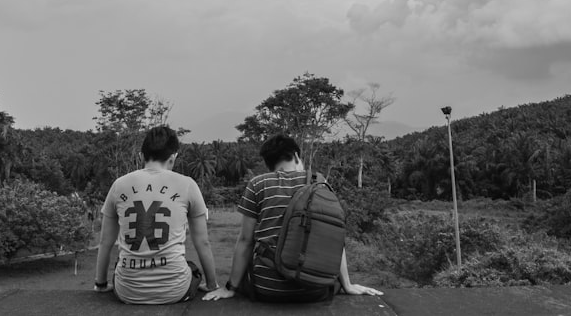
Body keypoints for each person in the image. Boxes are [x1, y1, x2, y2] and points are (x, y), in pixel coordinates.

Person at [204, 134, 383, 302]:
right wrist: (348, 285)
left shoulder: (258, 184)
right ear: (297, 157)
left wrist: (230, 288)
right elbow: (334, 239)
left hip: (267, 289)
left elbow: (245, 241)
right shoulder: (319, 182)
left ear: (268, 164)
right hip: (314, 290)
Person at [94, 126, 220, 304]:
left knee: (120, 267)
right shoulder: (188, 185)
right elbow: (202, 242)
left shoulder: (118, 185)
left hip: (127, 291)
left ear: (141, 156)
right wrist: (212, 285)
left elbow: (105, 242)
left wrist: (100, 284)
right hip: (176, 291)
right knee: (191, 268)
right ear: (173, 157)